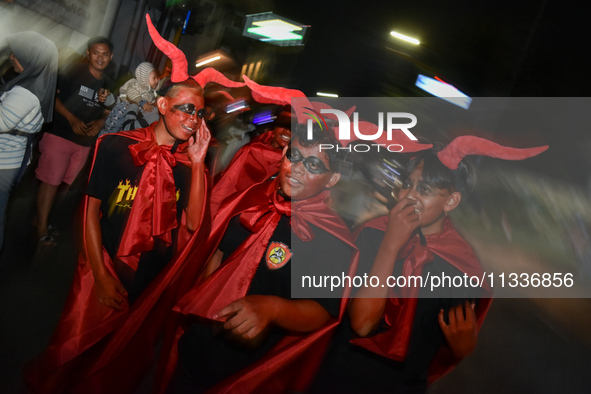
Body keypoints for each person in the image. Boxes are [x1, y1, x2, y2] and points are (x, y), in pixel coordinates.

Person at [25, 16, 244, 394]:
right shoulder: (116, 146)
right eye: (184, 108)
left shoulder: (191, 163)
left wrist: (196, 164)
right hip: (103, 265)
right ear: (161, 104)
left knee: (116, 363)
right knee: (74, 353)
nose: (192, 119)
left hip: (149, 280)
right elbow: (90, 210)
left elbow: (193, 224)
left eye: (199, 112)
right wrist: (100, 273)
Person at [312, 136, 548, 393]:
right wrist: (391, 244)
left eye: (423, 190)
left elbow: (445, 342)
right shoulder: (373, 234)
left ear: (451, 202)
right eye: (407, 185)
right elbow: (361, 323)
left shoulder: (460, 267)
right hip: (340, 375)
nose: (409, 196)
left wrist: (462, 348)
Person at [161, 123, 357, 393]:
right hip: (197, 351)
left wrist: (272, 308)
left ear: (332, 179)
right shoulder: (251, 198)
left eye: (313, 165)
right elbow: (218, 257)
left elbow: (323, 311)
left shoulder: (332, 239)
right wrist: (201, 313)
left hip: (244, 372)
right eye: (295, 156)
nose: (298, 168)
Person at [34, 36, 115, 246]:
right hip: (60, 134)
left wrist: (100, 121)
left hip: (84, 143)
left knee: (64, 184)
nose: (100, 57)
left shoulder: (108, 82)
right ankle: (41, 227)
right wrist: (71, 118)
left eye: (105, 54)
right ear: (88, 53)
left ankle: (44, 219)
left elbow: (108, 111)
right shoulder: (73, 73)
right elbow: (53, 97)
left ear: (111, 57)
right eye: (96, 52)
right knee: (51, 181)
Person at [0, 31, 57, 251]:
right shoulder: (36, 85)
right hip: (11, 160)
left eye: (17, 54)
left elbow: (2, 122)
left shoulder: (26, 92)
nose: (12, 57)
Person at [209, 105, 291, 215]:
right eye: (283, 124)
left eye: (293, 127)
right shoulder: (252, 151)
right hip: (240, 215)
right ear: (275, 126)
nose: (287, 131)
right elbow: (225, 187)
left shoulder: (301, 163)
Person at [99, 62, 160, 136]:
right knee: (113, 126)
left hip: (130, 113)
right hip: (123, 108)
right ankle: (105, 135)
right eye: (154, 78)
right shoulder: (136, 85)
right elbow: (131, 94)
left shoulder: (150, 93)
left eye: (157, 78)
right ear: (144, 77)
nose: (156, 81)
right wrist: (142, 102)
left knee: (117, 130)